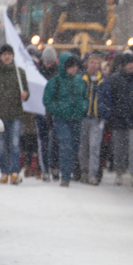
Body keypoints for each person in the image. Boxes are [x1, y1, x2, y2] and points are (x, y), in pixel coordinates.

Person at [0, 43, 29, 184]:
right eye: (4, 54)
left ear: (13, 56)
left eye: (9, 54)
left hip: (15, 114)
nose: (7, 57)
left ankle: (14, 172)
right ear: (0, 57)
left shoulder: (19, 72)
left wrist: (25, 95)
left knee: (15, 145)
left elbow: (26, 92)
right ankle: (4, 172)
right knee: (1, 146)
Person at [43, 53, 88, 187]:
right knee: (66, 145)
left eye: (75, 66)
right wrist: (59, 110)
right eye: (71, 66)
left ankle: (68, 171)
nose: (74, 69)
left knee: (74, 147)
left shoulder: (79, 81)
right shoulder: (55, 81)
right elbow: (47, 100)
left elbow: (85, 97)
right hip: (61, 119)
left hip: (76, 119)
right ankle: (65, 175)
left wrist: (83, 108)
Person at [104, 52, 133, 186]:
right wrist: (113, 114)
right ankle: (119, 173)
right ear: (123, 65)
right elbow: (110, 98)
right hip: (119, 119)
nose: (132, 65)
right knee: (119, 149)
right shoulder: (115, 79)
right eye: (129, 63)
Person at [79, 52, 109, 185]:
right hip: (83, 118)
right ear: (87, 64)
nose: (94, 65)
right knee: (83, 147)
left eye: (97, 63)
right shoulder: (81, 79)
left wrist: (105, 115)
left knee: (94, 147)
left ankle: (93, 174)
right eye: (92, 62)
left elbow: (108, 100)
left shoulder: (103, 81)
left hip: (97, 119)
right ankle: (83, 171)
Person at [36, 45, 59, 181]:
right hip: (41, 111)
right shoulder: (37, 72)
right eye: (47, 61)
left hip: (53, 111)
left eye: (51, 62)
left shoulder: (58, 74)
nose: (48, 64)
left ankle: (54, 166)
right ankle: (45, 168)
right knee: (43, 142)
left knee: (55, 141)